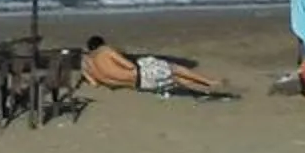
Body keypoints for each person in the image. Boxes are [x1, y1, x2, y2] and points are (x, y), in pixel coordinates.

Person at [82, 34, 230, 97]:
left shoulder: (87, 66)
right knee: (174, 68)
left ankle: (206, 90)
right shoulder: (105, 50)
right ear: (101, 44)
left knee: (176, 81)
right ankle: (210, 83)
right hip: (139, 74)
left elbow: (94, 84)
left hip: (140, 85)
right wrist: (121, 53)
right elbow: (129, 66)